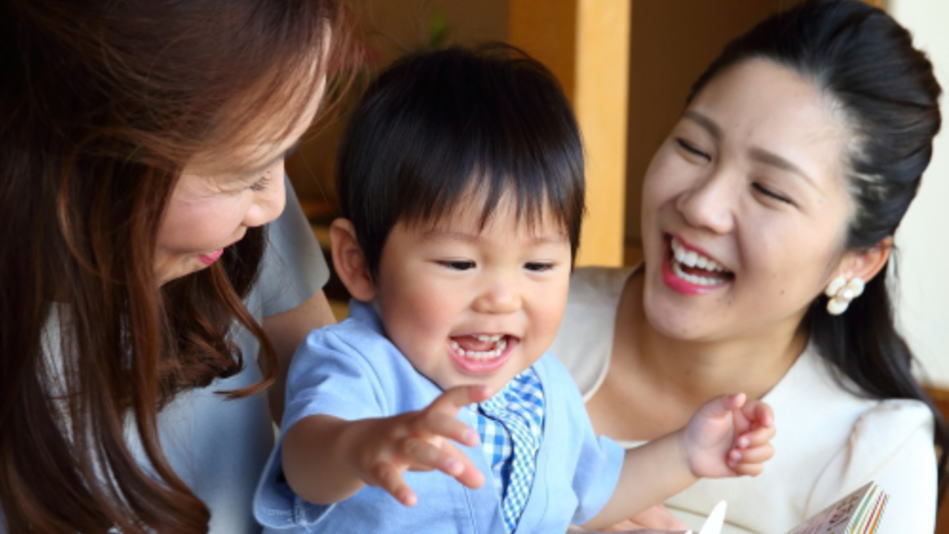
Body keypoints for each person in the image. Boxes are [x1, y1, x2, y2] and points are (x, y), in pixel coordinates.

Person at [252, 46, 776, 534]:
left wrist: (687, 454)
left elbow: (588, 490)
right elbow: (305, 460)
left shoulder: (544, 388)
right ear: (359, 263)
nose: (503, 299)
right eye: (460, 262)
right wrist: (359, 448)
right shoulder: (358, 364)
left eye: (538, 264)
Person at [550, 0, 948, 532]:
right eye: (694, 147)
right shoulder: (518, 323)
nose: (700, 206)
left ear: (859, 259)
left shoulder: (869, 457)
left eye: (769, 190)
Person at [0, 1, 355, 532]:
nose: (273, 205)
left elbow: (327, 408)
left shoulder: (248, 235)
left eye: (286, 151)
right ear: (84, 160)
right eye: (243, 172)